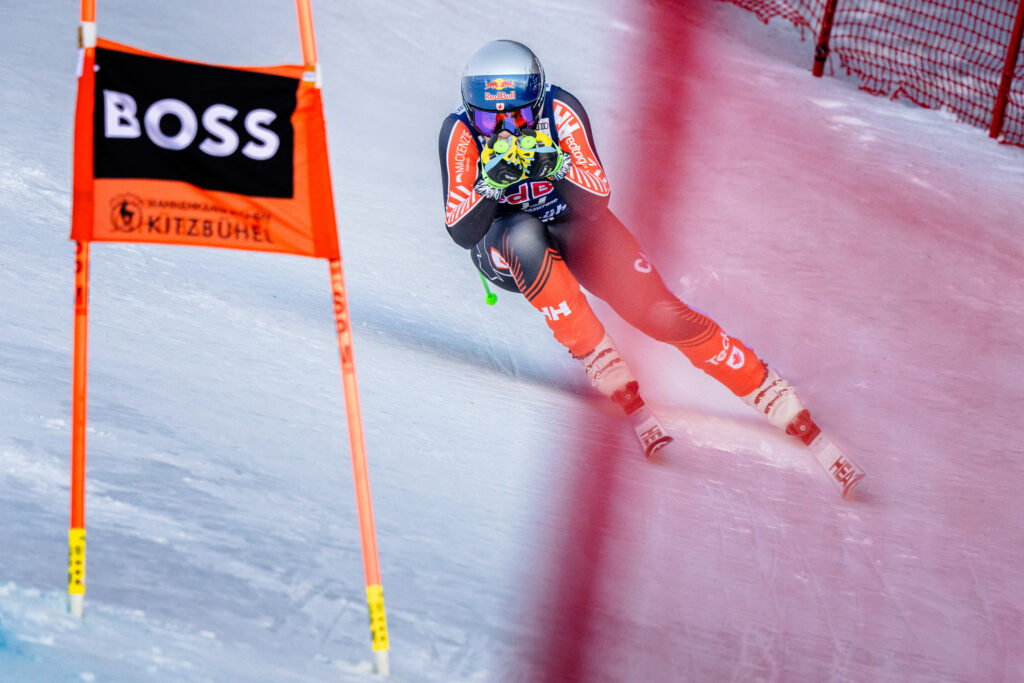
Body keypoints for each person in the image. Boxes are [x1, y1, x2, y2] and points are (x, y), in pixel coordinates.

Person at [437, 39, 824, 457]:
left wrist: (557, 165)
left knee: (657, 311)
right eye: (489, 120)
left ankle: (761, 383)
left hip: (571, 225)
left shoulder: (559, 109)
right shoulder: (460, 131)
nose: (506, 129)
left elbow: (596, 198)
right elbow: (461, 229)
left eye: (518, 115)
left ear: (538, 98)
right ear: (471, 111)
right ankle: (597, 355)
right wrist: (489, 185)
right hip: (504, 249)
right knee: (525, 235)